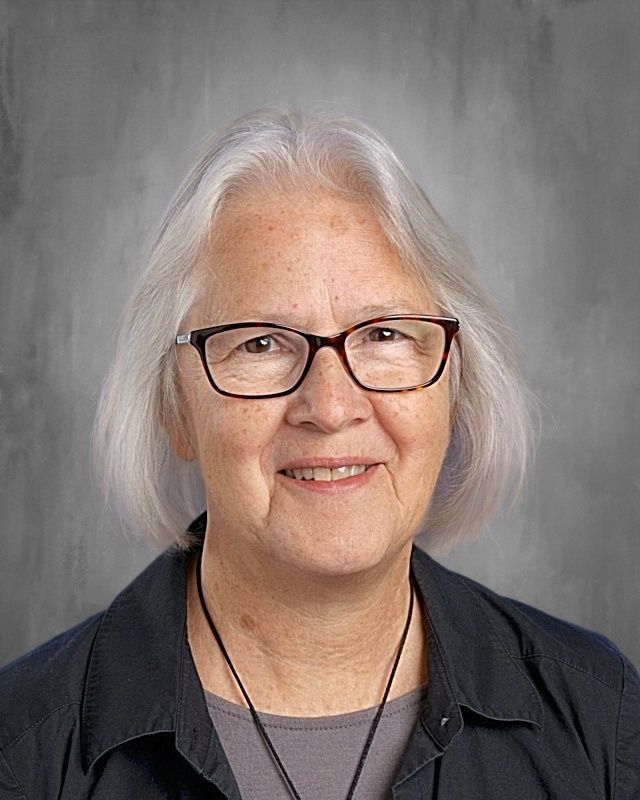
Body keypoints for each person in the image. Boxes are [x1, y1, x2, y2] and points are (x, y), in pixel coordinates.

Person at [0, 108, 638, 800]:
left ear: (454, 386)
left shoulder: (600, 722)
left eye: (385, 335)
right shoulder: (23, 751)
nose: (331, 408)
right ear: (174, 407)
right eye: (262, 344)